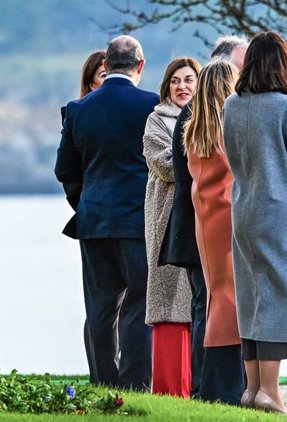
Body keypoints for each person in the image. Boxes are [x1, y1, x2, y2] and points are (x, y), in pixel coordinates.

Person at [223, 31, 287, 417]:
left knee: (251, 297)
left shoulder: (232, 104)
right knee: (280, 299)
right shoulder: (285, 106)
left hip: (243, 208)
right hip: (279, 212)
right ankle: (271, 393)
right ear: (281, 64)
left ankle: (250, 390)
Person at [54, 35, 159, 390]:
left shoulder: (79, 108)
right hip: (137, 221)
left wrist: (85, 203)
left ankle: (103, 383)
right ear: (140, 65)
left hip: (94, 221)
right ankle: (134, 385)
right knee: (138, 304)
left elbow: (65, 169)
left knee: (100, 308)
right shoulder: (152, 106)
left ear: (108, 63)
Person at [159, 34, 248, 401]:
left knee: (203, 306)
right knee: (220, 307)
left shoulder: (188, 120)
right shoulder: (226, 123)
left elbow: (181, 176)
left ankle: (201, 385)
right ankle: (219, 385)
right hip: (215, 225)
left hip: (191, 225)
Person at [182, 59, 245, 405]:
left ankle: (212, 381)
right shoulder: (229, 129)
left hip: (206, 217)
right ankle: (229, 383)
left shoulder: (195, 129)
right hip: (231, 215)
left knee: (216, 295)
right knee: (230, 299)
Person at [143, 57, 201, 397]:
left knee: (198, 301)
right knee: (169, 300)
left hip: (202, 215)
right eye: (176, 81)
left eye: (189, 80)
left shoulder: (208, 116)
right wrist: (199, 159)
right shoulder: (156, 120)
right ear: (167, 86)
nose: (182, 87)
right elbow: (164, 164)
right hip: (166, 218)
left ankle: (199, 383)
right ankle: (169, 389)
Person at [58, 49, 107, 385]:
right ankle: (102, 375)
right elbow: (67, 170)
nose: (107, 79)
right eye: (102, 75)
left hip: (118, 217)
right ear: (90, 81)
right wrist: (83, 203)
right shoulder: (77, 114)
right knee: (100, 305)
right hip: (93, 218)